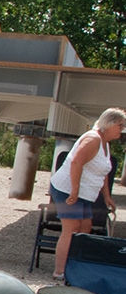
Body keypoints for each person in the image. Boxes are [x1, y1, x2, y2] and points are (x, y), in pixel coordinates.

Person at [51, 107, 126, 279]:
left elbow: (104, 172)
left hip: (86, 193)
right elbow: (76, 162)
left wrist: (107, 196)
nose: (121, 130)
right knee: (71, 228)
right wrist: (75, 190)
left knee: (85, 228)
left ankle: (76, 265)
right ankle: (60, 271)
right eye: (120, 125)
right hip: (67, 189)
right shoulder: (92, 138)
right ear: (110, 123)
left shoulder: (105, 142)